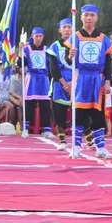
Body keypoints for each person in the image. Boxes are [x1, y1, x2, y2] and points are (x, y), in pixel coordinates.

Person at [64, 4, 112, 159]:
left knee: (98, 114)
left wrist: (107, 81)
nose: (88, 18)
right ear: (81, 17)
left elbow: (107, 63)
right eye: (86, 15)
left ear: (96, 18)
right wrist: (70, 56)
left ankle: (100, 148)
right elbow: (69, 63)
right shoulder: (75, 37)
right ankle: (76, 147)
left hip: (97, 79)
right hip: (80, 79)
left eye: (92, 15)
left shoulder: (103, 38)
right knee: (79, 113)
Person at [21, 27, 53, 138]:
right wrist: (20, 53)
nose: (38, 38)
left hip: (43, 78)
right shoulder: (26, 49)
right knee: (29, 104)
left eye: (40, 36)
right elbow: (21, 64)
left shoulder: (47, 49)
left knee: (44, 104)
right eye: (36, 36)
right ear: (32, 36)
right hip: (31, 78)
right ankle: (25, 128)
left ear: (43, 37)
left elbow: (50, 65)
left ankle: (47, 129)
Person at [47, 18, 74, 150]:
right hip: (59, 81)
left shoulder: (77, 44)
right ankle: (62, 139)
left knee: (80, 110)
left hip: (75, 80)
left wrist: (72, 82)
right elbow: (53, 68)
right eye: (65, 27)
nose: (67, 30)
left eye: (69, 27)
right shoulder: (54, 46)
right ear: (60, 30)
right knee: (59, 112)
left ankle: (88, 138)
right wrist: (64, 83)